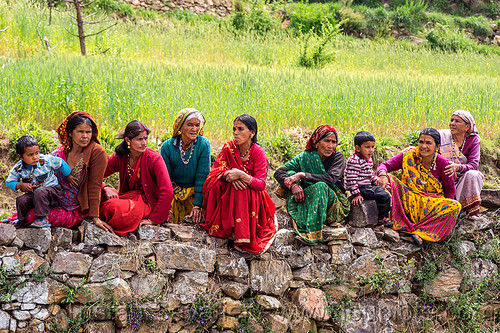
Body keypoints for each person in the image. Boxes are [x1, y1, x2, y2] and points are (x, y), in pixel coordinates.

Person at [201, 114, 277, 254]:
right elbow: (216, 171)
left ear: (252, 133)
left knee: (240, 189)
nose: (235, 133)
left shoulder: (258, 152)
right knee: (215, 184)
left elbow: (261, 184)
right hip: (231, 188)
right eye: (234, 129)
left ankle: (242, 234)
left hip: (252, 195)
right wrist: (229, 176)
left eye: (240, 129)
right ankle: (221, 225)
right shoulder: (228, 147)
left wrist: (242, 176)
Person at [376, 128, 462, 245]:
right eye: (421, 142)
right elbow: (385, 165)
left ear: (437, 147)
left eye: (428, 143)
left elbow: (450, 191)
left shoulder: (443, 164)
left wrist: (445, 212)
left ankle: (420, 232)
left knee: (455, 206)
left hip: (429, 204)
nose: (423, 146)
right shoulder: (408, 155)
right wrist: (382, 175)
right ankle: (403, 224)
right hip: (407, 199)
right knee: (390, 179)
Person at [274, 125, 350, 243]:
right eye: (326, 141)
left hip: (333, 206)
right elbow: (279, 172)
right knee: (290, 173)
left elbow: (330, 179)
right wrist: (293, 185)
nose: (331, 146)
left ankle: (312, 233)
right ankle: (303, 217)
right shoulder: (306, 157)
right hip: (309, 202)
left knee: (321, 186)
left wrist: (304, 175)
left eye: (334, 142)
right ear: (316, 142)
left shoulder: (337, 157)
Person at [100, 120, 174, 236]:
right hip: (126, 197)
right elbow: (96, 175)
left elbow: (167, 191)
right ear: (128, 140)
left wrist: (153, 219)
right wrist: (105, 187)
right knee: (98, 196)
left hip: (145, 202)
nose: (144, 143)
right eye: (140, 139)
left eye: (146, 138)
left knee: (113, 208)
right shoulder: (121, 156)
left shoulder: (154, 159)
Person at [6, 135, 71, 228]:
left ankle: (43, 218)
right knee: (21, 200)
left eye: (37, 153)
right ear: (20, 157)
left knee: (39, 192)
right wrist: (20, 185)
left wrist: (68, 175)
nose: (35, 157)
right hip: (35, 194)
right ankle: (21, 220)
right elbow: (9, 182)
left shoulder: (45, 160)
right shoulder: (18, 168)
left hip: (53, 192)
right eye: (30, 155)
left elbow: (60, 162)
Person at [160, 108, 211, 224]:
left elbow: (202, 176)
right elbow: (165, 179)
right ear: (180, 127)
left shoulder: (203, 144)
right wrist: (166, 206)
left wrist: (198, 205)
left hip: (195, 192)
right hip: (173, 192)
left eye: (197, 125)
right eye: (189, 125)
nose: (194, 129)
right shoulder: (167, 147)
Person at [439, 110, 483, 217]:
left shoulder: (473, 140)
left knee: (473, 174)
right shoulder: (442, 136)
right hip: (444, 178)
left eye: (457, 121)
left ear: (467, 127)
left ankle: (467, 210)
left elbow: (473, 165)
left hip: (463, 180)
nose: (452, 123)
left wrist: (457, 167)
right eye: (451, 120)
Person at [345, 131, 392, 224]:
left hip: (368, 185)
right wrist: (356, 194)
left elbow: (370, 175)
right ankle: (380, 217)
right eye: (367, 147)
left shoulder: (368, 160)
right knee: (385, 196)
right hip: (362, 188)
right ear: (358, 148)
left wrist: (377, 181)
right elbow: (351, 179)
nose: (371, 150)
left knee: (387, 190)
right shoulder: (354, 161)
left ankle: (381, 214)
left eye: (372, 147)